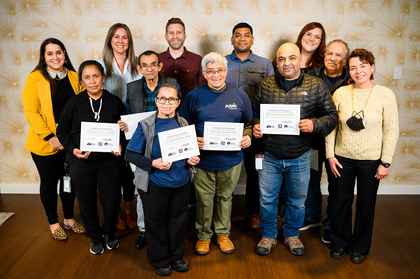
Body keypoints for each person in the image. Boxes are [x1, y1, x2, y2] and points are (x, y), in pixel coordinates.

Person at [253, 43, 337, 257]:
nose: (287, 63)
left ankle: (292, 235)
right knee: (267, 199)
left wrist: (314, 125)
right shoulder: (266, 85)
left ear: (300, 60)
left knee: (297, 200)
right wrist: (255, 127)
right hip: (269, 155)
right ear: (276, 62)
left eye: (291, 58)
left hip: (301, 156)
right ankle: (269, 235)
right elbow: (253, 115)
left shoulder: (316, 85)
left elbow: (331, 117)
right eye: (282, 59)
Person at [326, 48, 399, 264]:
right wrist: (330, 155)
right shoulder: (340, 93)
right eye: (353, 67)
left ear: (372, 67)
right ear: (349, 71)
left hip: (371, 160)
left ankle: (360, 247)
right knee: (340, 202)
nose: (358, 71)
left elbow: (391, 129)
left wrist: (385, 162)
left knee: (366, 204)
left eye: (363, 66)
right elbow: (331, 127)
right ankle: (340, 243)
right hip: (342, 157)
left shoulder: (385, 94)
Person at [180, 52, 253, 256]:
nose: (215, 75)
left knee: (225, 197)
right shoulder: (193, 96)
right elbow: (182, 126)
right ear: (204, 73)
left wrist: (248, 137)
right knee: (204, 199)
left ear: (226, 71)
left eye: (219, 70)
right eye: (210, 71)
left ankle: (222, 234)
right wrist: (193, 139)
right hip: (203, 160)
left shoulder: (240, 95)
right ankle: (203, 236)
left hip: (231, 160)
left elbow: (248, 124)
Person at [126, 83, 199, 276]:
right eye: (162, 98)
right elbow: (131, 154)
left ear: (178, 102)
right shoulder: (146, 125)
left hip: (181, 182)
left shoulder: (183, 123)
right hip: (155, 184)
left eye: (171, 99)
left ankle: (176, 257)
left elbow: (189, 153)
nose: (166, 103)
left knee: (178, 222)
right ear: (156, 101)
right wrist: (153, 164)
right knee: (156, 223)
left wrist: (192, 159)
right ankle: (160, 259)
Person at [57, 60, 125, 255]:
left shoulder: (114, 101)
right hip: (81, 161)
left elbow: (124, 130)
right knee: (86, 201)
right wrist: (73, 150)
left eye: (96, 76)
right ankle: (95, 237)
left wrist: (121, 142)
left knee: (111, 200)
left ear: (102, 78)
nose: (92, 81)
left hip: (109, 162)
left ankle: (110, 234)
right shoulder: (74, 103)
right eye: (87, 77)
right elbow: (62, 132)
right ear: (81, 81)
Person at [22, 37, 85, 240]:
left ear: (65, 54)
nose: (55, 56)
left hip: (69, 143)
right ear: (43, 57)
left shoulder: (76, 77)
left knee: (69, 181)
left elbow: (83, 108)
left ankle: (68, 218)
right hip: (44, 144)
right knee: (49, 183)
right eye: (50, 53)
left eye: (59, 52)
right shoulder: (35, 79)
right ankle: (53, 222)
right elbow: (32, 112)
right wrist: (51, 137)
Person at [120, 50, 178, 249]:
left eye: (154, 64)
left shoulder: (170, 84)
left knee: (165, 192)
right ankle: (145, 230)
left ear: (160, 66)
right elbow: (128, 114)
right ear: (139, 68)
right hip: (141, 145)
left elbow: (178, 110)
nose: (150, 68)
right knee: (142, 189)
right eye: (145, 65)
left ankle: (165, 230)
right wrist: (125, 125)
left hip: (166, 144)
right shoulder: (133, 87)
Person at [301, 40, 351, 245]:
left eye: (338, 55)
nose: (333, 58)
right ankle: (312, 217)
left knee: (336, 184)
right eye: (329, 53)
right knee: (312, 178)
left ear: (345, 59)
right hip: (313, 141)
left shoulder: (351, 80)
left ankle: (331, 225)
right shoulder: (312, 76)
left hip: (339, 143)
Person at [226, 22, 274, 230]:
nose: (242, 38)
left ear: (252, 39)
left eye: (247, 35)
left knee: (256, 171)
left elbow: (272, 95)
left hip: (255, 127)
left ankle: (254, 212)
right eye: (238, 35)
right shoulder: (222, 62)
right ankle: (223, 215)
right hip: (227, 125)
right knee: (224, 169)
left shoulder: (264, 65)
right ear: (232, 39)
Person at [101, 23, 141, 231]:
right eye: (116, 37)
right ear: (110, 40)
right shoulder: (102, 66)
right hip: (109, 124)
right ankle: (115, 212)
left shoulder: (137, 64)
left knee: (129, 171)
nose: (120, 41)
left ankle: (128, 210)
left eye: (125, 37)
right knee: (112, 170)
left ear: (129, 41)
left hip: (133, 124)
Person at [159, 17, 202, 98]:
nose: (175, 36)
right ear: (166, 36)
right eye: (171, 33)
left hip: (191, 109)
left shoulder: (197, 60)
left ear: (184, 35)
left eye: (179, 32)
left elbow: (202, 90)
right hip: (164, 109)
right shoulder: (157, 60)